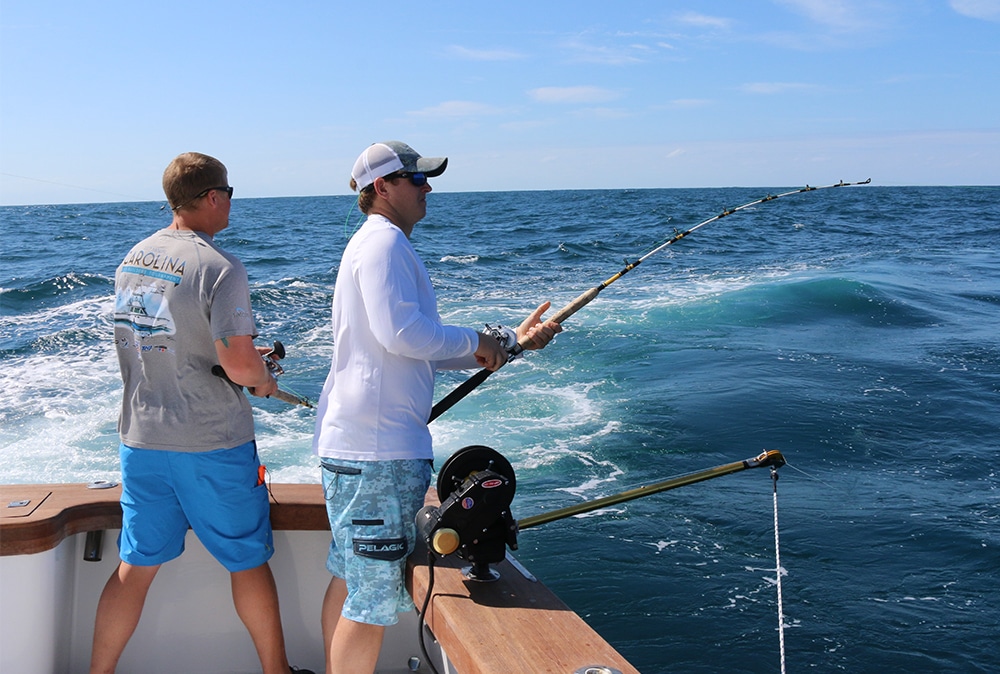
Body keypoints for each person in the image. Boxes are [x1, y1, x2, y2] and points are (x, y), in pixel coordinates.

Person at [313, 141, 561, 673]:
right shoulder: (383, 245)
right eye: (416, 179)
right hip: (377, 456)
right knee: (371, 604)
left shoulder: (378, 245)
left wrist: (505, 343)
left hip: (362, 450)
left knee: (353, 582)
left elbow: (409, 350)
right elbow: (403, 333)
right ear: (382, 187)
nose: (428, 188)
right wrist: (478, 338)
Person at [92, 152, 309, 674]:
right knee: (247, 560)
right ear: (212, 197)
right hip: (211, 444)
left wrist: (242, 367)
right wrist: (263, 377)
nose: (232, 201)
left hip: (141, 441)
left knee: (135, 565)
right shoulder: (220, 266)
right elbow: (238, 365)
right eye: (229, 192)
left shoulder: (132, 259)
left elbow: (160, 340)